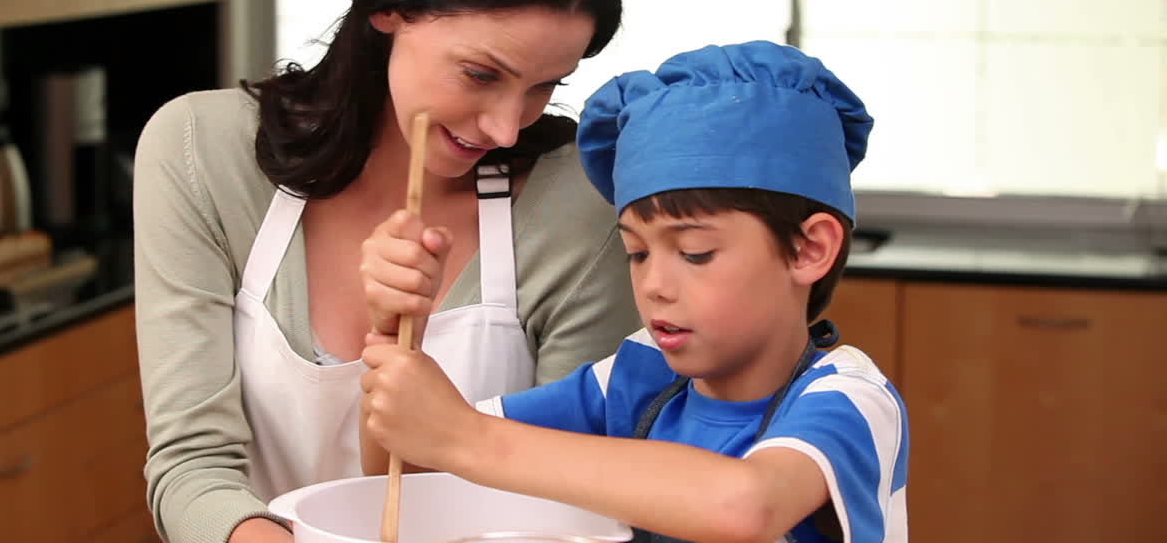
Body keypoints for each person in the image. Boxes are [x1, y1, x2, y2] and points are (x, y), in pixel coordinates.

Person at [133, 0, 642, 542]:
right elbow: (192, 467)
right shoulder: (200, 154)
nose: (505, 128)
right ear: (391, 6)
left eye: (544, 87)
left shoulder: (579, 207)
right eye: (481, 74)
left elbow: (568, 499)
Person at [360, 41, 910, 543]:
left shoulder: (850, 400)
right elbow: (412, 463)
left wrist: (468, 438)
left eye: (695, 253)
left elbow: (744, 506)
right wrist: (395, 334)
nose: (654, 286)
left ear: (808, 249)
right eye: (637, 252)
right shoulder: (635, 377)